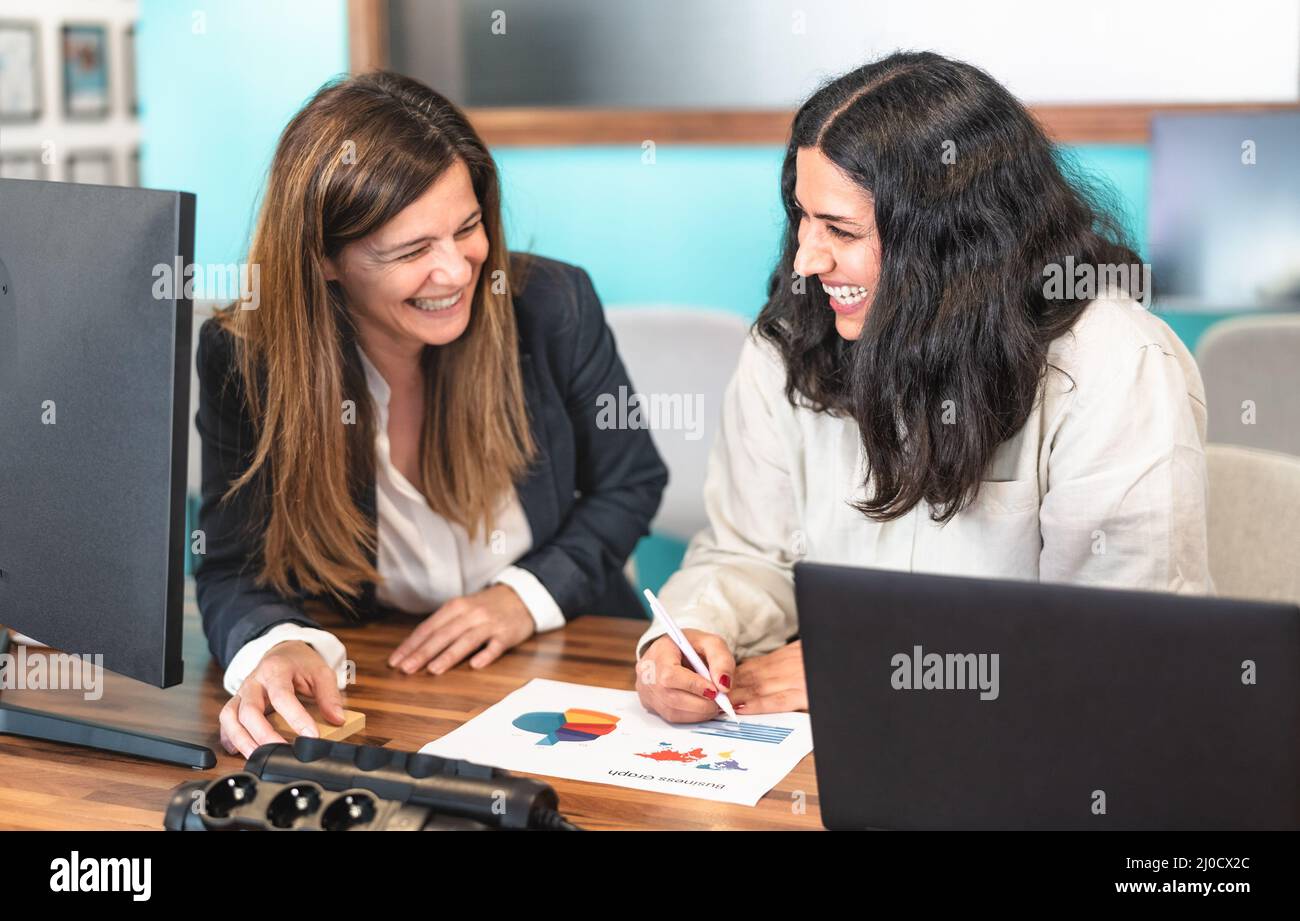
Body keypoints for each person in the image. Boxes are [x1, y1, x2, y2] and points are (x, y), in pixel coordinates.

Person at [635, 51, 1211, 723]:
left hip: (1037, 752)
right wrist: (695, 632)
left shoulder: (1116, 365)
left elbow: (1125, 645)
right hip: (837, 746)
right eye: (802, 217)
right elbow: (748, 551)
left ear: (952, 245)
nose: (805, 259)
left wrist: (869, 667)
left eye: (841, 230)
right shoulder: (793, 342)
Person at [196, 72, 667, 758]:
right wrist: (274, 643)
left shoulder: (553, 304)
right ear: (325, 260)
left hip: (572, 661)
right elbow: (232, 564)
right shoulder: (247, 359)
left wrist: (524, 596)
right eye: (412, 251)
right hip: (388, 679)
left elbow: (632, 481)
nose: (454, 270)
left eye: (467, 227)